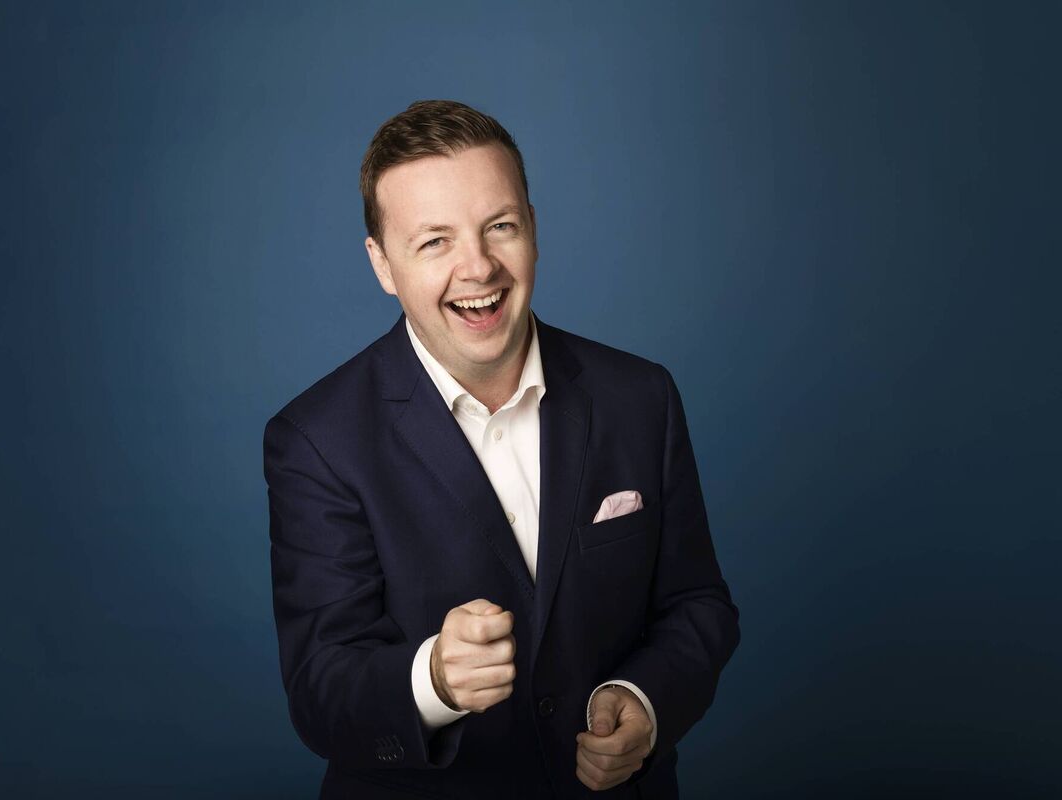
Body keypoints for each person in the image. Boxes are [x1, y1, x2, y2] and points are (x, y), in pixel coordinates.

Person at [263, 99, 740, 799]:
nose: (478, 267)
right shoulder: (315, 440)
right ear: (383, 265)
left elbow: (698, 605)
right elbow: (320, 690)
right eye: (435, 242)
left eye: (500, 228)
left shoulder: (642, 397)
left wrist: (642, 699)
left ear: (534, 230)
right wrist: (433, 680)